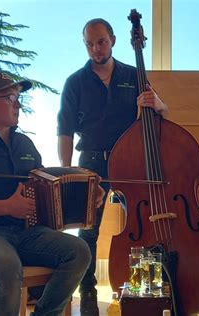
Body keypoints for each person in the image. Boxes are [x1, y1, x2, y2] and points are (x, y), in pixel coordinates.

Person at [0, 71, 105, 316]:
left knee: (78, 251)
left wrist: (87, 192)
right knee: (5, 266)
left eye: (18, 97)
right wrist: (5, 206)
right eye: (10, 97)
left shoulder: (25, 144)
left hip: (24, 234)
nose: (18, 104)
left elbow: (44, 183)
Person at [57, 18, 167, 315]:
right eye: (90, 44)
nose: (96, 49)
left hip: (130, 160)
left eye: (101, 42)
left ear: (113, 40)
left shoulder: (134, 75)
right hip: (91, 162)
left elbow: (163, 114)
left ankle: (143, 288)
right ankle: (88, 291)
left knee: (142, 224)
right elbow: (64, 131)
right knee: (89, 231)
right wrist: (68, 173)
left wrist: (158, 103)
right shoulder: (75, 82)